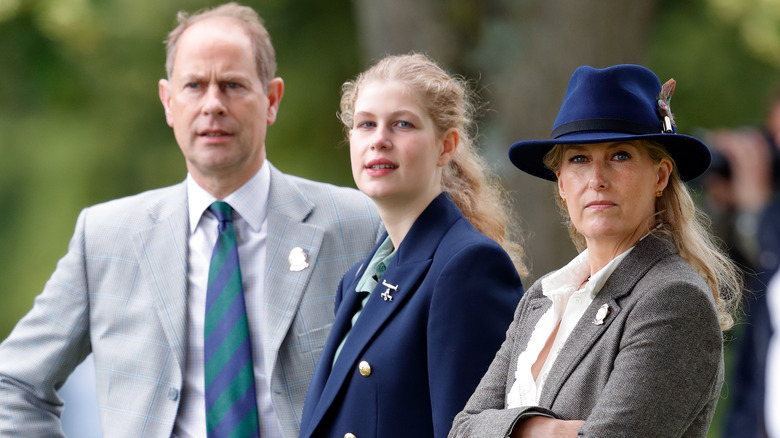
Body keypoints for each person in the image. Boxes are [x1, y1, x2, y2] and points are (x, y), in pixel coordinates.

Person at [0, 3, 381, 437]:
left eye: (233, 85)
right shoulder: (105, 238)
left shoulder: (355, 225)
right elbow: (13, 382)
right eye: (195, 86)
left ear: (272, 99)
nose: (213, 104)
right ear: (168, 102)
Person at [449, 64, 742, 437]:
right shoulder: (541, 297)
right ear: (561, 184)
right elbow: (461, 428)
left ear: (661, 175)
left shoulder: (672, 298)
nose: (597, 179)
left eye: (620, 155)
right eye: (578, 159)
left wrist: (503, 429)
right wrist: (554, 432)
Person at [298, 53, 525, 438]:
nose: (379, 140)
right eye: (366, 124)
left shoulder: (469, 266)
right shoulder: (357, 279)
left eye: (402, 124)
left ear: (446, 146)